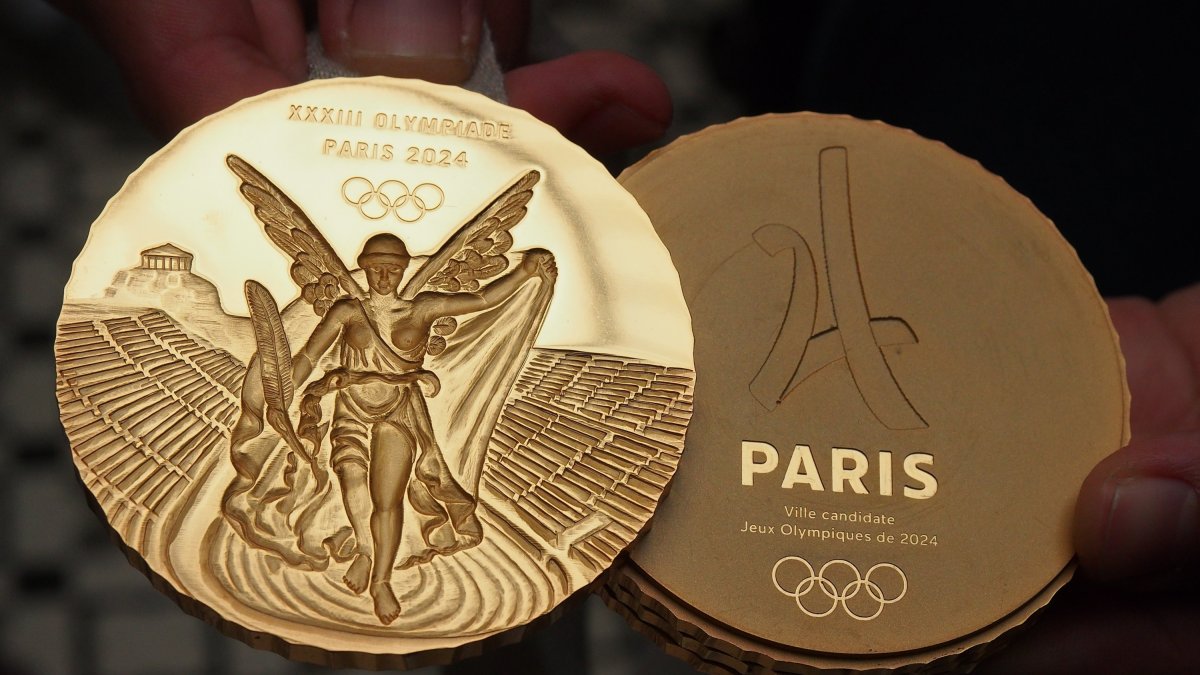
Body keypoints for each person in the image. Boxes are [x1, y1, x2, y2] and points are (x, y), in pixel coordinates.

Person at [54, 1, 1200, 671]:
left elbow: (471, 300)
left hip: (401, 407)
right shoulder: (349, 292)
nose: (391, 263)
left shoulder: (417, 297)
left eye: (403, 259)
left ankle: (385, 570)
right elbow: (310, 330)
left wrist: (535, 264)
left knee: (391, 498)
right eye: (384, 256)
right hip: (357, 405)